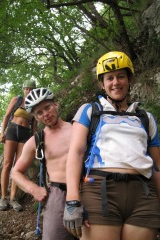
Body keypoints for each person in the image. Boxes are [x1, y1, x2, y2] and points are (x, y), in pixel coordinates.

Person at [63, 51, 160, 240]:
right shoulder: (90, 110)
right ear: (102, 83)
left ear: (129, 79)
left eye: (121, 76)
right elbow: (75, 153)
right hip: (100, 189)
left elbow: (157, 167)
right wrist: (72, 200)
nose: (115, 82)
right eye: (109, 78)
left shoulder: (145, 118)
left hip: (143, 194)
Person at [11, 87, 76, 240]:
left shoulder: (78, 129)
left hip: (87, 189)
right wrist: (33, 189)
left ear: (56, 105)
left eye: (47, 107)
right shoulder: (37, 140)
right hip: (58, 195)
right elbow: (15, 172)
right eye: (39, 112)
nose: (45, 114)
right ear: (36, 118)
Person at [0, 80, 37, 211]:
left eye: (31, 89)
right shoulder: (17, 100)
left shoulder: (35, 105)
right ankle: (3, 197)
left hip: (25, 134)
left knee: (18, 166)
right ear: (23, 90)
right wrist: (2, 132)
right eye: (26, 89)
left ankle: (13, 198)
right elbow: (7, 116)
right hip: (12, 130)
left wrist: (35, 142)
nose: (28, 91)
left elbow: (34, 128)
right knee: (8, 164)